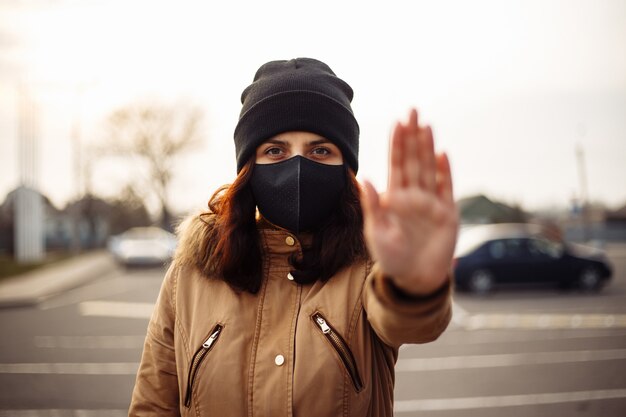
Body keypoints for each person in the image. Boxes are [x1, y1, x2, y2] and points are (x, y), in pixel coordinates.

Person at [129, 57, 458, 417]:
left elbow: (409, 321)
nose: (298, 167)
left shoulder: (367, 266)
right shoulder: (190, 274)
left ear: (346, 168)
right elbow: (153, 405)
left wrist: (413, 283)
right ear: (247, 168)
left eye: (320, 150)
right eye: (275, 151)